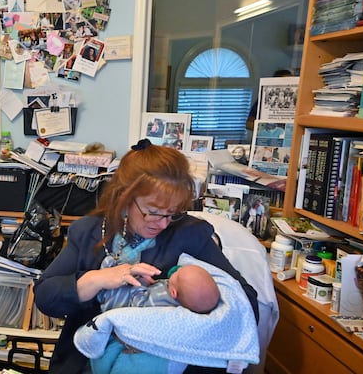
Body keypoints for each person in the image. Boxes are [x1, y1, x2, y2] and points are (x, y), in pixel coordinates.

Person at [34, 139, 259, 373]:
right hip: (90, 361)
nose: (162, 223)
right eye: (152, 212)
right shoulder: (88, 232)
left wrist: (181, 317)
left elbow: (247, 304)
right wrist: (96, 279)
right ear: (124, 198)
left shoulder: (190, 235)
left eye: (171, 213)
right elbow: (45, 297)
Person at [96, 263, 220, 314]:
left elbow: (138, 305)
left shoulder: (161, 301)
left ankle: (102, 292)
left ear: (173, 292)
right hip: (142, 293)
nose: (178, 269)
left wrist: (141, 283)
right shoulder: (180, 292)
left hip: (122, 305)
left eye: (177, 274)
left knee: (110, 264)